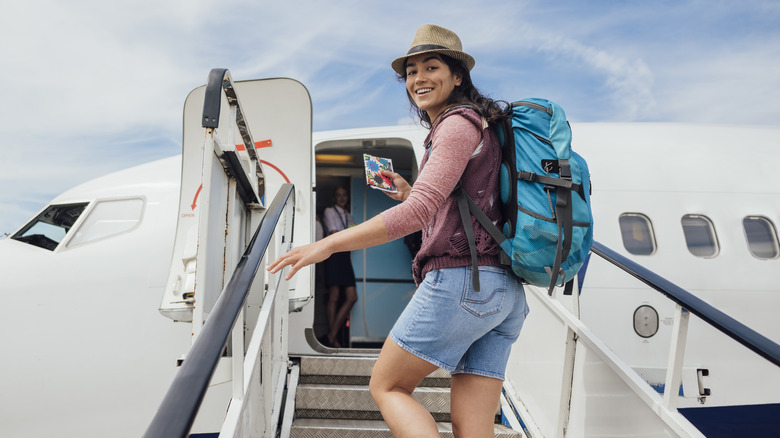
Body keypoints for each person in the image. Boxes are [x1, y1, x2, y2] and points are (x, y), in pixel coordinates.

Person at [269, 24, 529, 438]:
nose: (419, 78)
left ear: (458, 75)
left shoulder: (456, 125)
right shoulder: (480, 127)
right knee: (474, 426)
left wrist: (326, 245)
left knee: (388, 385)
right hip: (503, 293)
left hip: (464, 282)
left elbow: (416, 215)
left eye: (431, 66)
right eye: (411, 71)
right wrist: (411, 193)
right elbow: (456, 207)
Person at [320, 186, 357, 348]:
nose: (341, 198)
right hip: (334, 254)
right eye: (338, 195)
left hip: (345, 255)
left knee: (351, 296)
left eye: (344, 195)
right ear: (334, 198)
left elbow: (355, 235)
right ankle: (333, 339)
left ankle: (331, 336)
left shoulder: (348, 215)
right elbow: (334, 233)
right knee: (334, 296)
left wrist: (350, 235)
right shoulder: (329, 211)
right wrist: (349, 235)